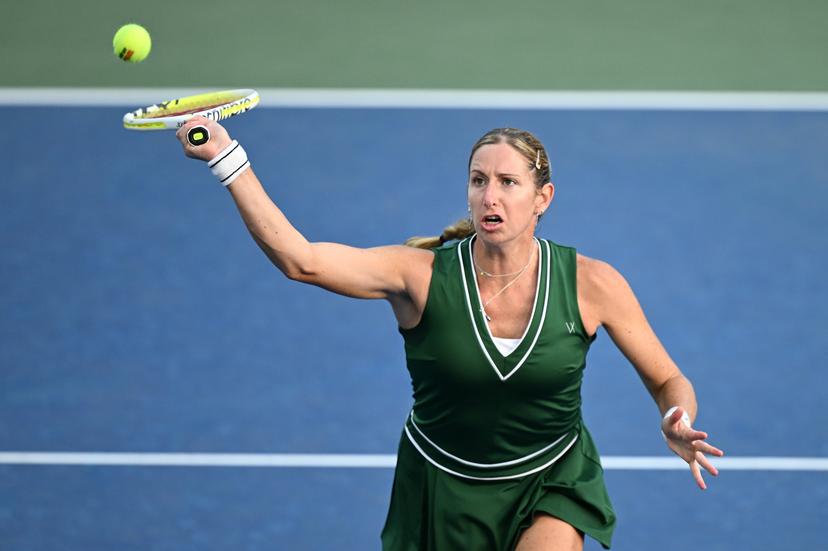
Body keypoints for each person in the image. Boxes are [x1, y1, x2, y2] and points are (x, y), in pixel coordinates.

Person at [176, 118, 724, 551]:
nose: (491, 197)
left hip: (550, 481)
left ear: (543, 197)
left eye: (509, 183)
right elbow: (303, 261)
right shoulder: (419, 276)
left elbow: (668, 378)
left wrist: (676, 418)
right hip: (439, 488)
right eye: (479, 180)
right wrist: (228, 159)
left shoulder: (593, 284)